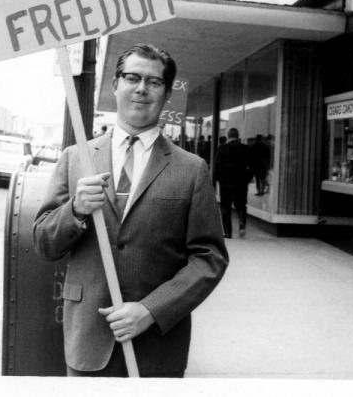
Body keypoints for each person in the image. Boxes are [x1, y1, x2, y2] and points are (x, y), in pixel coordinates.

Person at [33, 43, 228, 378]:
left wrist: (151, 310)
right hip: (88, 339)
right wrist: (75, 210)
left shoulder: (192, 169)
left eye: (153, 82)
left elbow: (209, 258)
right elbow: (43, 242)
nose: (141, 88)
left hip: (157, 344)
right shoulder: (76, 157)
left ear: (166, 94)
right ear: (115, 85)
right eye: (132, 77)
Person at [214, 127, 251, 238]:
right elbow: (252, 165)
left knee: (225, 208)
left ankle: (228, 232)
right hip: (241, 182)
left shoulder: (222, 148)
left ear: (228, 136)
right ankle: (242, 222)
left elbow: (217, 166)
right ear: (238, 136)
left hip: (226, 183)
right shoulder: (245, 148)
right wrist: (247, 178)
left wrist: (218, 180)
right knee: (241, 204)